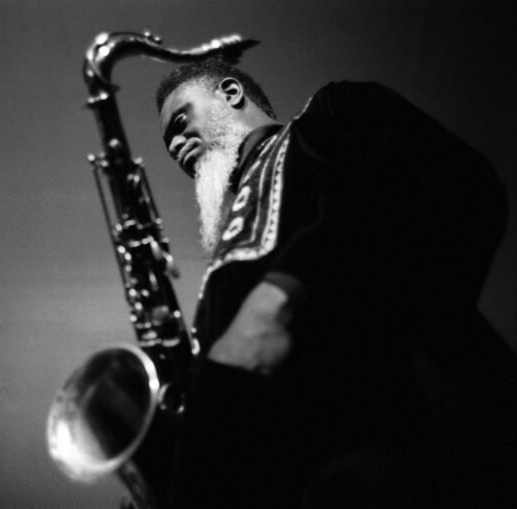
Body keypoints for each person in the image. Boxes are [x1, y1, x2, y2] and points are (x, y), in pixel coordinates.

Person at [155, 59, 517, 508]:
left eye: (180, 120)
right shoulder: (220, 274)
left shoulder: (331, 116)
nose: (173, 144)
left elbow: (456, 189)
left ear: (231, 94)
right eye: (168, 140)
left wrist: (278, 297)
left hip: (397, 443)